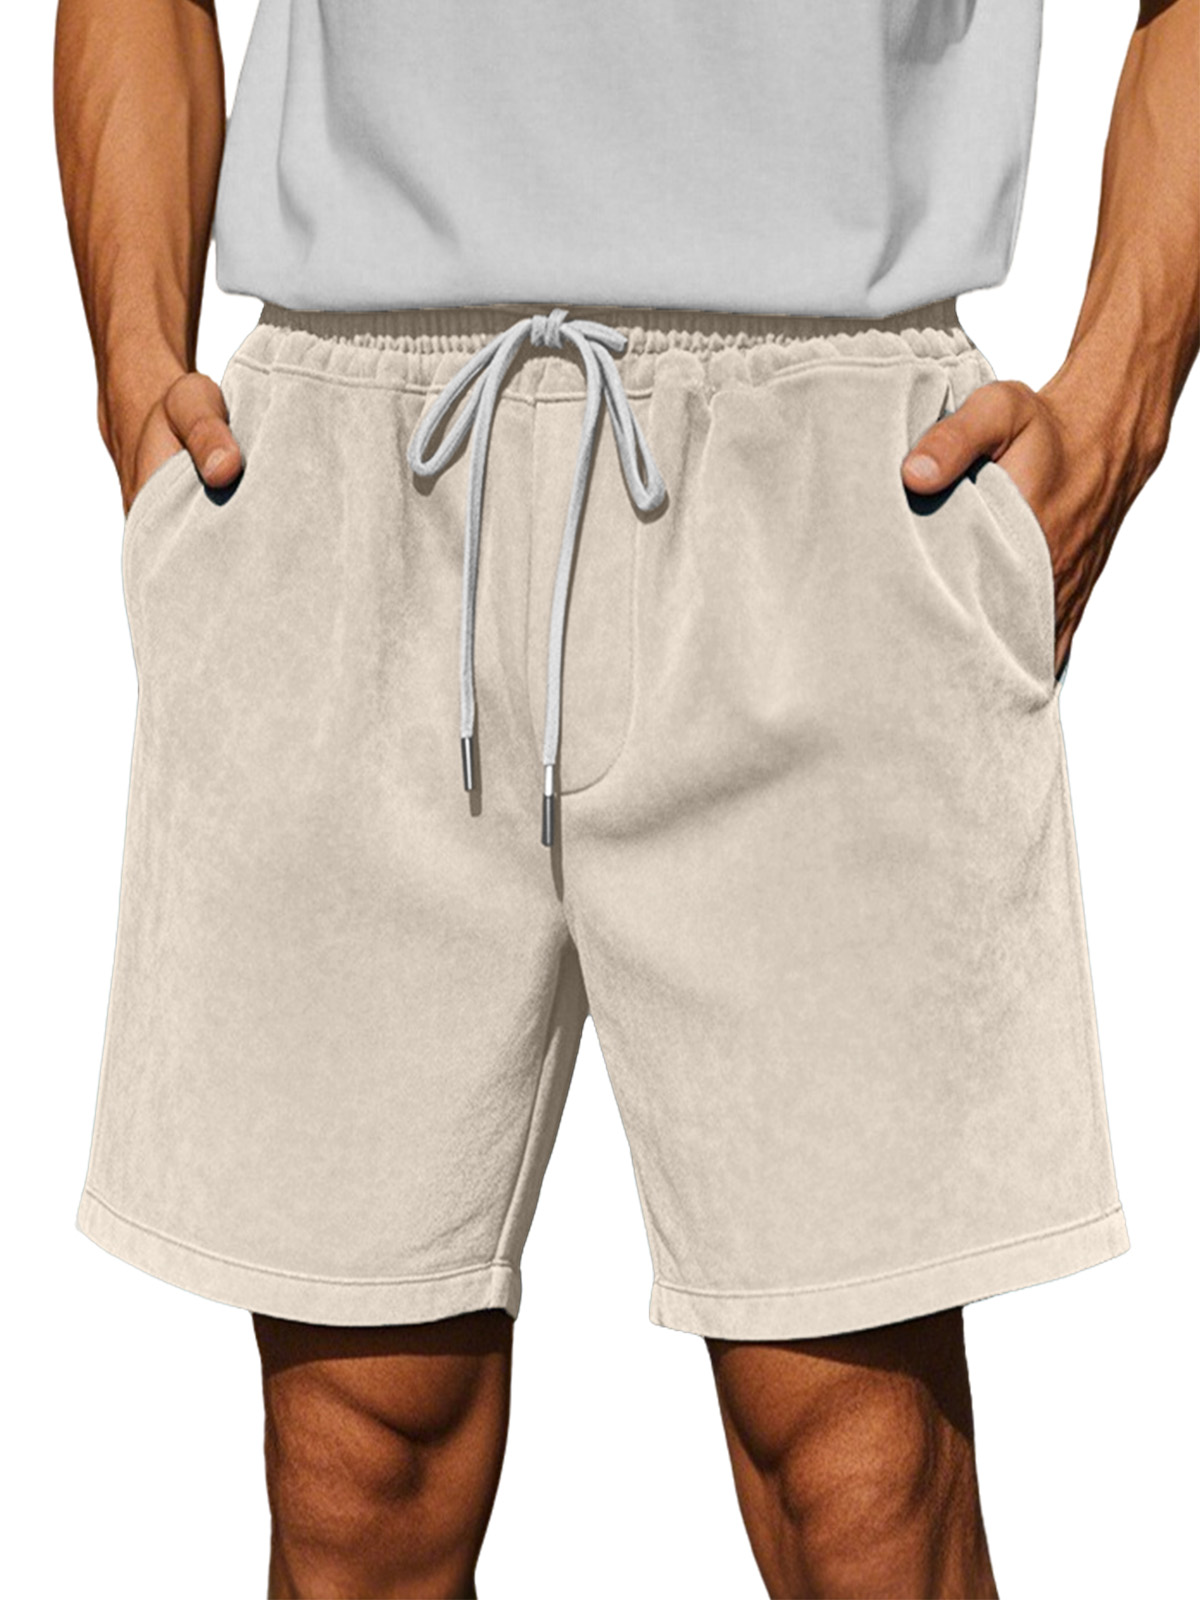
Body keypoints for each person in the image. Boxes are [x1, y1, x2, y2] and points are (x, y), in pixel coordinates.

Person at [55, 1, 1197, 1595]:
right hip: (351, 472)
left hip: (833, 472)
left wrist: (1122, 401)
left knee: (862, 1477)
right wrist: (133, 377)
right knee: (354, 1468)